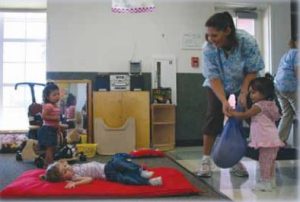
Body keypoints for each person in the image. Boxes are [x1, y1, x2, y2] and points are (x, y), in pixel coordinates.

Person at [197, 11, 265, 177]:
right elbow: (213, 77)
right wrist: (223, 101)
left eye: (215, 35)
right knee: (214, 114)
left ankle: (235, 160)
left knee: (242, 116)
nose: (211, 39)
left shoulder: (246, 41)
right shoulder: (208, 48)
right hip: (218, 84)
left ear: (227, 30)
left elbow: (253, 70)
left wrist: (243, 93)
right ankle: (206, 160)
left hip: (244, 81)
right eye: (208, 35)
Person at [228, 74, 285, 191]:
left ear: (263, 93)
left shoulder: (258, 106)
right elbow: (276, 116)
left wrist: (232, 113)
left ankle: (265, 182)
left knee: (264, 161)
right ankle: (270, 180)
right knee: (270, 162)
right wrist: (245, 107)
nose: (250, 95)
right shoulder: (271, 104)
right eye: (250, 92)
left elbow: (245, 115)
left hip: (266, 140)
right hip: (272, 139)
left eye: (253, 92)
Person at [40, 153, 163, 188]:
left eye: (65, 167)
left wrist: (62, 166)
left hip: (106, 166)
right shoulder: (74, 177)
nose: (67, 168)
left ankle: (140, 171)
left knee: (118, 158)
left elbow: (63, 162)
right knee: (124, 178)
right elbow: (89, 179)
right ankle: (148, 182)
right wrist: (75, 183)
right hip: (107, 173)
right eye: (65, 171)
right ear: (64, 178)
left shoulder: (70, 167)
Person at [274, 38, 299, 144]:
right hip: (289, 86)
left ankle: (278, 140)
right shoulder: (297, 53)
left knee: (287, 114)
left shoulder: (287, 54)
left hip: (278, 86)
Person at [37, 82, 61, 168]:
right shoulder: (49, 106)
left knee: (51, 149)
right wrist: (55, 119)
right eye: (54, 95)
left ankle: (46, 166)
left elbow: (56, 121)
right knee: (50, 149)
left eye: (58, 94)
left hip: (52, 130)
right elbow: (44, 116)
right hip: (47, 130)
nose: (57, 96)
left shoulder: (55, 106)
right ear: (48, 97)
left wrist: (58, 128)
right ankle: (50, 166)